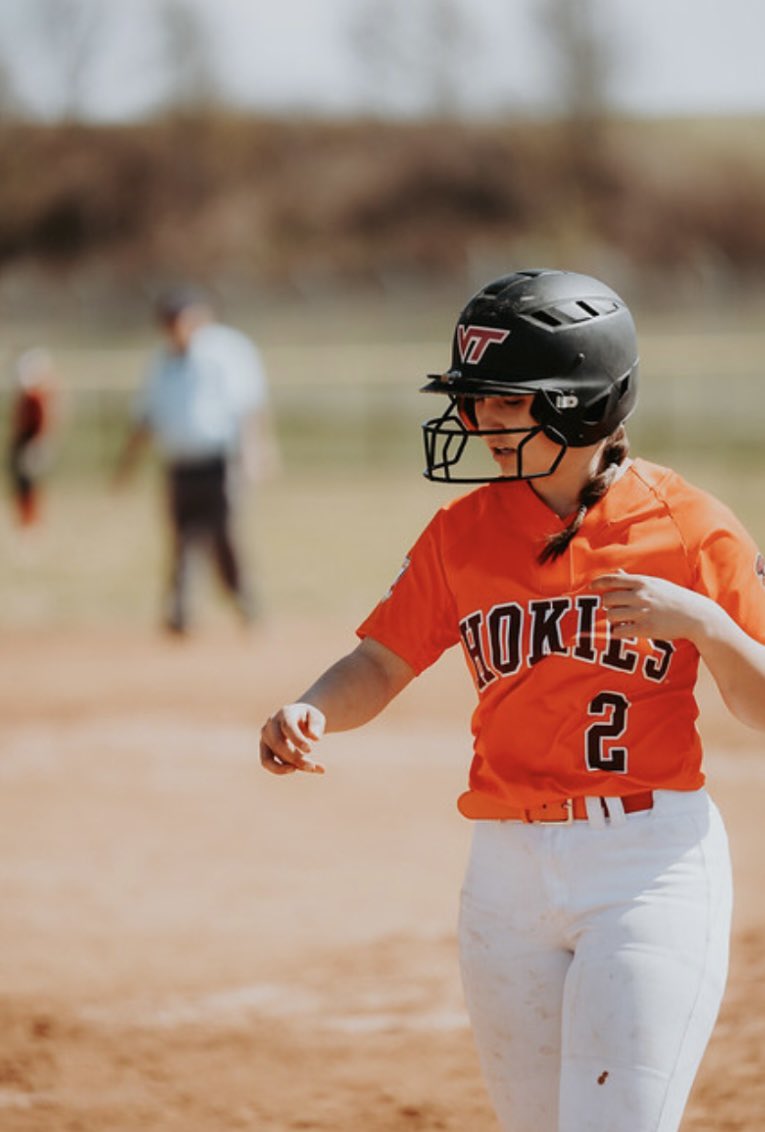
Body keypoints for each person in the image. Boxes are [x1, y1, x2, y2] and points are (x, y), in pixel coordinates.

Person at [259, 268, 765, 1132]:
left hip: (645, 867)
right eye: (471, 400)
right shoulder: (463, 532)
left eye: (501, 401)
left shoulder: (689, 526)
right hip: (504, 874)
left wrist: (708, 626)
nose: (474, 422)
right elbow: (379, 664)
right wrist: (311, 705)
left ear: (580, 405)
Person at [115, 286, 280, 634]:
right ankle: (180, 614)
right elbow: (146, 417)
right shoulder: (160, 362)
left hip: (220, 462)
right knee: (182, 539)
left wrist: (255, 451)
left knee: (225, 536)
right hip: (180, 465)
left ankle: (246, 604)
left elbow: (248, 406)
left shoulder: (224, 353)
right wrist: (127, 464)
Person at [7, 347, 60, 527]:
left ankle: (32, 522)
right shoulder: (28, 396)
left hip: (30, 443)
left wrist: (37, 444)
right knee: (23, 485)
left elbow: (42, 424)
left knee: (29, 486)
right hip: (24, 442)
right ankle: (27, 521)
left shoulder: (36, 397)